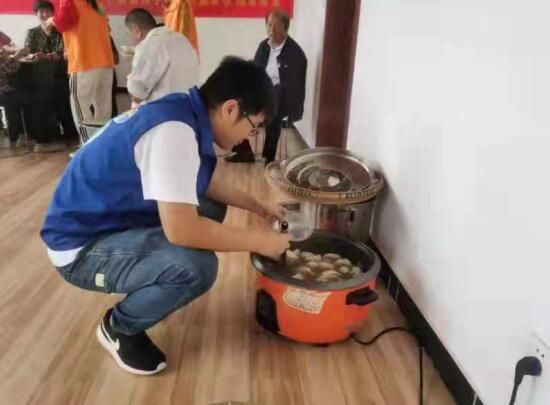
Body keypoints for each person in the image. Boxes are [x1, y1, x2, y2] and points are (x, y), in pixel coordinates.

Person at [41, 57, 290, 375]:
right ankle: (119, 327)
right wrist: (262, 242)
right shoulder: (173, 133)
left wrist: (257, 205)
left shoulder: (183, 110)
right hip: (80, 247)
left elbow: (203, 181)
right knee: (197, 267)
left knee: (209, 208)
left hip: (109, 220)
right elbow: (182, 231)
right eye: (253, 127)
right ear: (230, 109)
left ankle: (156, 278)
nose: (249, 137)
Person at [226, 8, 307, 164]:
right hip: (263, 92)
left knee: (273, 107)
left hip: (285, 98)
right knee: (236, 102)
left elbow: (294, 88)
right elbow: (254, 71)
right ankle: (244, 151)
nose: (272, 30)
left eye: (277, 26)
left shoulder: (295, 54)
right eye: (269, 25)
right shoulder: (264, 46)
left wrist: (270, 92)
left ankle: (269, 157)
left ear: (286, 28)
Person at [48, 0, 115, 145]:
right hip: (105, 62)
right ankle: (102, 146)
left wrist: (51, 20)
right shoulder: (99, 2)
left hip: (84, 62)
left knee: (80, 106)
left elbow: (64, 23)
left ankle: (87, 147)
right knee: (103, 108)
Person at [125, 8, 198, 108]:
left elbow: (137, 90)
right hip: (189, 107)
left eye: (129, 34)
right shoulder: (181, 39)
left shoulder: (149, 45)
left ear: (137, 31)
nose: (130, 39)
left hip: (165, 111)